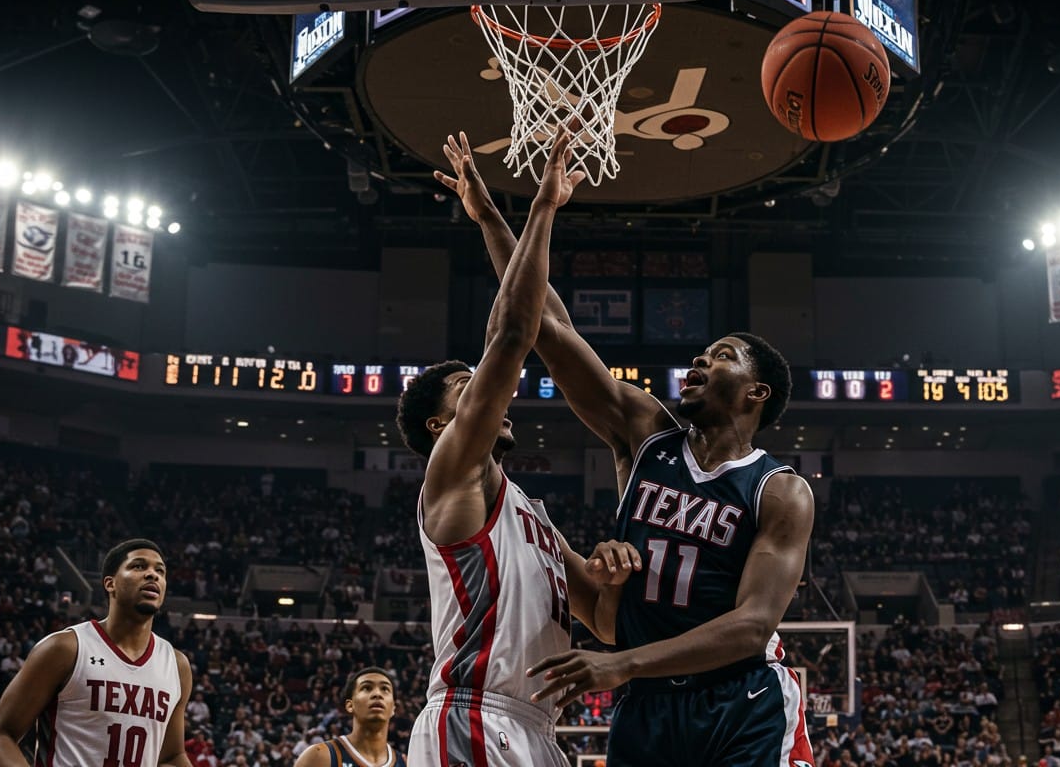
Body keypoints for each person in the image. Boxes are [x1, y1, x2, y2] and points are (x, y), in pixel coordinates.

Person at [437, 131, 816, 766]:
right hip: (645, 703)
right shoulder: (646, 433)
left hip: (740, 699)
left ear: (757, 392)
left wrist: (624, 661)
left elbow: (753, 626)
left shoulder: (779, 490)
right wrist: (493, 219)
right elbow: (547, 325)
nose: (700, 358)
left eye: (721, 355)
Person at [400, 131, 636, 767]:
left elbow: (607, 624)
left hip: (537, 730)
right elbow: (512, 334)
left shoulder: (526, 511)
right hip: (473, 716)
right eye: (464, 387)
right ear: (438, 426)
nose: (482, 390)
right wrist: (540, 209)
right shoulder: (452, 476)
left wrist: (610, 577)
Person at [0, 538, 192, 767]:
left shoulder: (176, 665)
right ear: (110, 584)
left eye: (160, 570)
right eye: (138, 566)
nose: (153, 575)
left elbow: (171, 757)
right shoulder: (65, 649)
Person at [294, 668, 407, 767]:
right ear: (350, 705)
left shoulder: (406, 763)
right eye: (366, 688)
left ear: (393, 708)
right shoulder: (319, 756)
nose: (377, 694)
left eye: (385, 689)